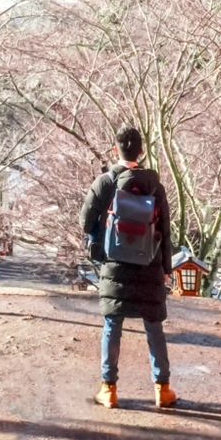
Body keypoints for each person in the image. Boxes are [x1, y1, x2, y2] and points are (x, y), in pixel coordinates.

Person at [81, 125, 177, 409]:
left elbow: (85, 221)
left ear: (116, 150)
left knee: (113, 324)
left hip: (115, 265)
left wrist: (99, 239)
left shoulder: (106, 182)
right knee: (153, 326)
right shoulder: (155, 186)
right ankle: (163, 389)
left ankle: (109, 389)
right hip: (149, 265)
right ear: (142, 152)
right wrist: (166, 267)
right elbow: (165, 229)